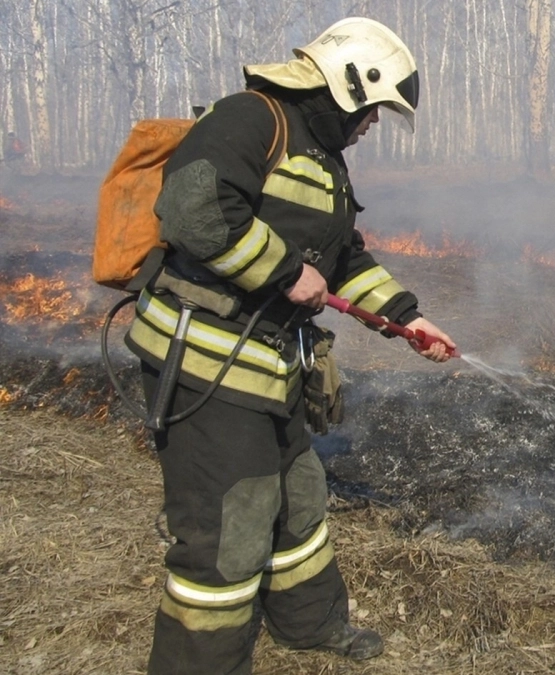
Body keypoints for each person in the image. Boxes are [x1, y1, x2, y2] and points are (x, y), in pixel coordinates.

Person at [122, 17, 455, 674]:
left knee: (299, 500)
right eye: (376, 109)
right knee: (228, 528)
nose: (375, 125)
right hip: (207, 367)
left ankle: (309, 627)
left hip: (267, 368)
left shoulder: (320, 157)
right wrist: (281, 271)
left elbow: (340, 259)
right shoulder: (250, 119)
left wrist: (408, 319)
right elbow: (192, 209)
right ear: (348, 85)